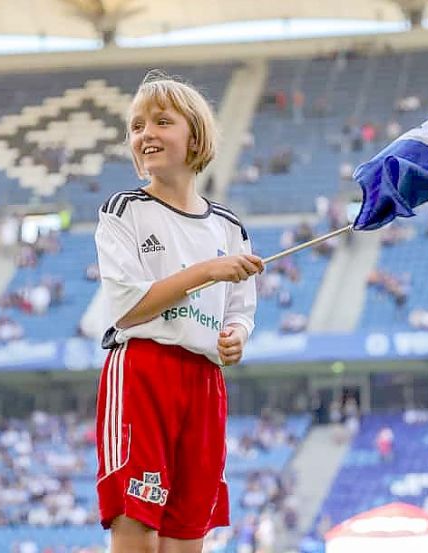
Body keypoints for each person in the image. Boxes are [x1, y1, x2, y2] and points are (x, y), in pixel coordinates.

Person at [94, 71, 263, 553]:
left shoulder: (229, 226)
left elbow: (241, 307)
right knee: (139, 536)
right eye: (136, 126)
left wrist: (236, 333)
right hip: (145, 372)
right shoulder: (124, 210)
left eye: (161, 122)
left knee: (187, 539)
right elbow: (126, 308)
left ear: (195, 136)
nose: (145, 133)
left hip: (205, 383)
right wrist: (208, 270)